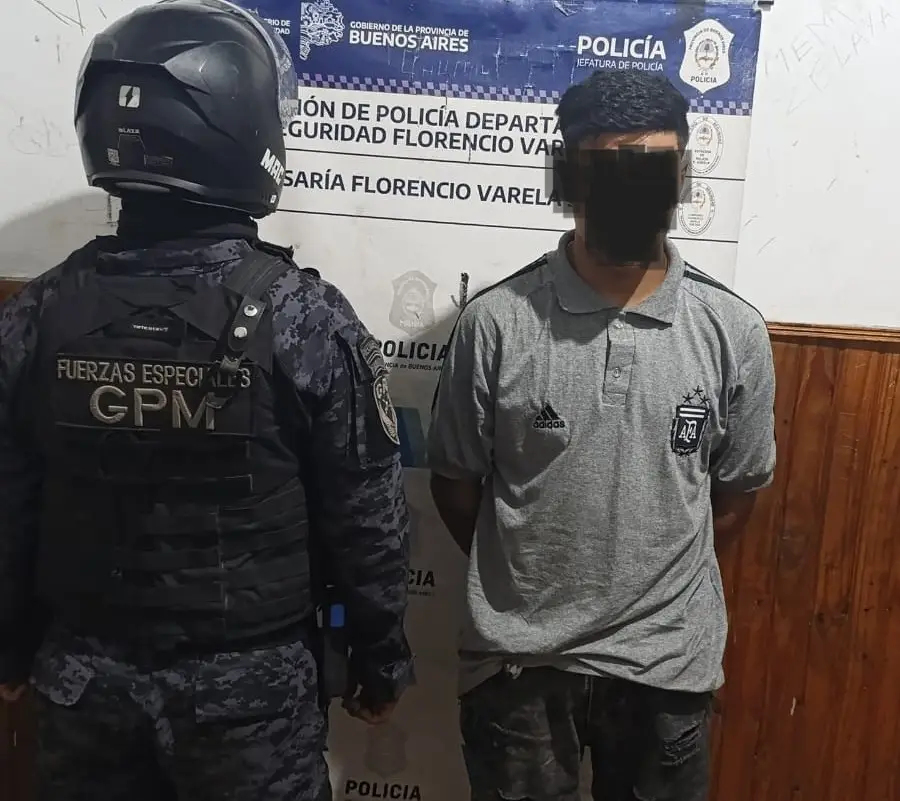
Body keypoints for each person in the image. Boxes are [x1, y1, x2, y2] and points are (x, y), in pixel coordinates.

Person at [0, 1, 413, 799]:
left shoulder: (37, 314)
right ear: (238, 128)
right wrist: (380, 655)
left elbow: (8, 506)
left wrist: (10, 648)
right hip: (249, 706)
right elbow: (366, 522)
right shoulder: (303, 320)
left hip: (83, 688)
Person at [427, 68, 776, 801]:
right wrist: (531, 585)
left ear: (682, 176)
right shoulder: (496, 323)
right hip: (520, 666)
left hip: (666, 667)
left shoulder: (733, 331)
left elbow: (734, 497)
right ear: (569, 176)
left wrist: (648, 584)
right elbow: (456, 487)